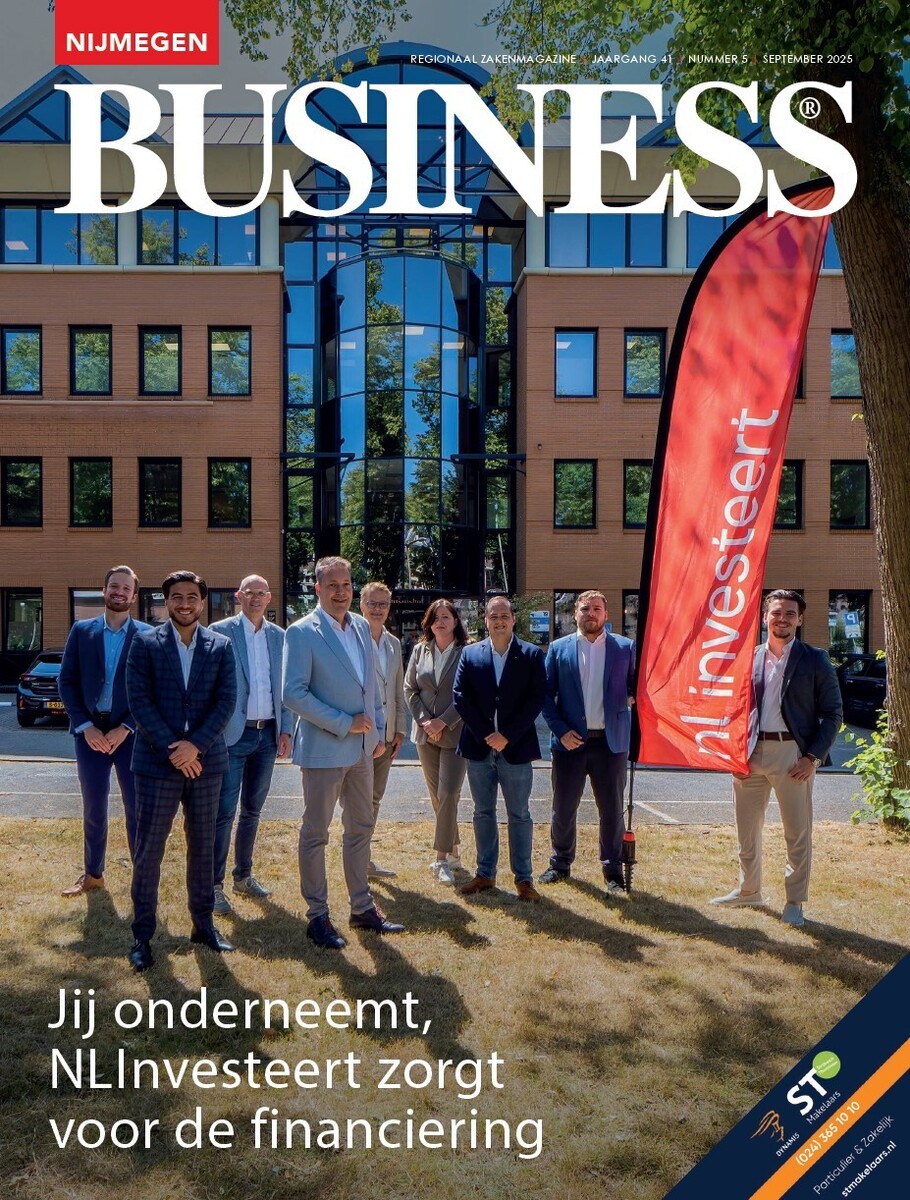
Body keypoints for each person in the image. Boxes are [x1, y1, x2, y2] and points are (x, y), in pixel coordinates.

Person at [283, 556, 404, 949]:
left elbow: (371, 687)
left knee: (360, 829)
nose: (340, 592)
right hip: (324, 749)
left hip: (363, 751)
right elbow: (293, 693)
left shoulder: (361, 627)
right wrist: (342, 722)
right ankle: (317, 915)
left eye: (346, 584)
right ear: (318, 588)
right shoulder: (302, 632)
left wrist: (378, 730)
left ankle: (362, 908)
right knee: (316, 833)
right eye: (332, 585)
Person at [125, 571, 237, 971]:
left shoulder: (221, 646)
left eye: (192, 596)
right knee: (149, 850)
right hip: (157, 763)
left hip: (206, 763)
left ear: (202, 602)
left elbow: (226, 701)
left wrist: (195, 746)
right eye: (177, 597)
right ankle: (142, 935)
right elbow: (138, 701)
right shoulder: (144, 643)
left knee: (204, 846)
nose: (185, 603)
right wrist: (175, 749)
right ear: (166, 601)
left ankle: (203, 926)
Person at [711, 590, 842, 926]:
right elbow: (734, 709)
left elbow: (833, 713)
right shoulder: (749, 657)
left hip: (793, 755)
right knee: (746, 829)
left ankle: (794, 901)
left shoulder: (815, 659)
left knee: (797, 832)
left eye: (789, 614)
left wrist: (812, 757)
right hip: (750, 753)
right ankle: (748, 890)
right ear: (765, 617)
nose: (782, 619)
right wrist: (734, 754)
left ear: (800, 619)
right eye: (776, 613)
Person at [58, 565, 150, 897]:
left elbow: (150, 690)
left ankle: (142, 877)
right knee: (94, 806)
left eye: (126, 588)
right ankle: (93, 874)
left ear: (134, 596)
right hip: (90, 735)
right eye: (114, 586)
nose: (119, 592)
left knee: (136, 808)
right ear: (104, 590)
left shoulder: (147, 636)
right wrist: (85, 726)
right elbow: (66, 681)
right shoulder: (82, 631)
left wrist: (127, 727)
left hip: (130, 735)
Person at [540, 590, 635, 895]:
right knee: (563, 808)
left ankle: (612, 868)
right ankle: (560, 863)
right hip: (569, 743)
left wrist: (632, 696)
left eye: (596, 608)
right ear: (575, 614)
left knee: (612, 810)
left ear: (606, 614)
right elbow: (545, 696)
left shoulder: (625, 648)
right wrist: (560, 731)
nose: (590, 613)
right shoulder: (559, 649)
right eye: (584, 609)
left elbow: (638, 686)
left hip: (610, 744)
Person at [453, 593, 547, 901]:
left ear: (514, 619)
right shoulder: (470, 654)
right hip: (479, 748)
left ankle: (524, 879)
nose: (499, 621)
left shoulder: (531, 654)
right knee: (483, 812)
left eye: (504, 615)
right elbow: (460, 697)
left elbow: (537, 698)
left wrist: (506, 734)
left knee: (519, 814)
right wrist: (487, 734)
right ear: (485, 621)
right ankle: (485, 874)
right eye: (493, 616)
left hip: (516, 748)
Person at [209, 574, 294, 915]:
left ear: (269, 598)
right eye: (249, 593)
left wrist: (286, 730)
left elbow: (284, 688)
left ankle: (243, 876)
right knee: (223, 812)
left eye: (261, 593)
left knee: (253, 811)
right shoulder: (220, 632)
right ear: (238, 596)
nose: (256, 598)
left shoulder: (279, 636)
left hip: (267, 736)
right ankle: (213, 886)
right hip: (233, 736)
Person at [404, 599, 468, 886]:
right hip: (425, 735)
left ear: (455, 621)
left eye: (445, 617)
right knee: (438, 797)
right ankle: (453, 851)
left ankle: (441, 859)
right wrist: (425, 722)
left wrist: (443, 721)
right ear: (428, 623)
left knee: (449, 793)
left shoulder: (467, 651)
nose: (440, 622)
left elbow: (469, 694)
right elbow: (410, 688)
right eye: (435, 618)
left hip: (455, 733)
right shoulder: (420, 650)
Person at [359, 581, 409, 880]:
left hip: (387, 736)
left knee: (374, 799)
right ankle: (355, 860)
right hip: (360, 734)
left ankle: (364, 860)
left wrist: (399, 729)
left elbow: (398, 690)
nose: (378, 609)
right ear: (361, 605)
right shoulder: (352, 637)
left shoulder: (393, 643)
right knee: (357, 800)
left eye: (383, 604)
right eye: (372, 603)